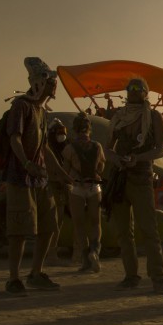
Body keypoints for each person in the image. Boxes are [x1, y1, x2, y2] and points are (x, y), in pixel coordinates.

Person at [3, 58, 69, 295]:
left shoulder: (42, 111)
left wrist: (61, 174)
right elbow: (15, 138)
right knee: (19, 231)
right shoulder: (22, 106)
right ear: (38, 82)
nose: (54, 87)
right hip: (20, 178)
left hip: (41, 180)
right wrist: (27, 163)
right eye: (50, 82)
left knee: (49, 226)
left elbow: (45, 148)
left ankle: (36, 273)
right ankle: (13, 278)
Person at [107, 77, 163, 295]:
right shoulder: (118, 117)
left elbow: (161, 148)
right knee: (123, 232)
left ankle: (158, 278)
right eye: (129, 88)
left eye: (138, 88)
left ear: (146, 92)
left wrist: (139, 158)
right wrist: (115, 158)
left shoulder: (153, 117)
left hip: (141, 176)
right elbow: (108, 148)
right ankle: (131, 276)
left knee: (149, 230)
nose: (133, 92)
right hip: (119, 178)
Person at [61, 113, 106, 273]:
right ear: (89, 129)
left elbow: (65, 171)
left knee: (79, 224)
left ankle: (86, 259)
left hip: (77, 187)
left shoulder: (69, 148)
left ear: (74, 129)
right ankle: (95, 251)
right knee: (96, 222)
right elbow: (100, 168)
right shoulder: (97, 146)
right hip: (94, 187)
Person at [44, 118, 72, 267]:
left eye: (63, 132)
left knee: (60, 221)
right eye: (59, 132)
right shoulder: (48, 149)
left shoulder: (65, 147)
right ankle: (51, 253)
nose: (62, 135)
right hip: (52, 188)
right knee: (54, 221)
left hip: (63, 187)